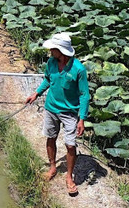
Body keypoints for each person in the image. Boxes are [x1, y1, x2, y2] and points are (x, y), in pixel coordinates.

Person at [25, 32, 90, 196]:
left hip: (69, 112)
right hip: (51, 108)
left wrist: (81, 119)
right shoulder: (51, 63)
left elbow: (84, 95)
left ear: (61, 51)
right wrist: (37, 93)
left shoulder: (78, 69)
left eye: (53, 49)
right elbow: (48, 79)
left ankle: (69, 177)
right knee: (51, 137)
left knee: (70, 144)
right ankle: (53, 167)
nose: (50, 51)